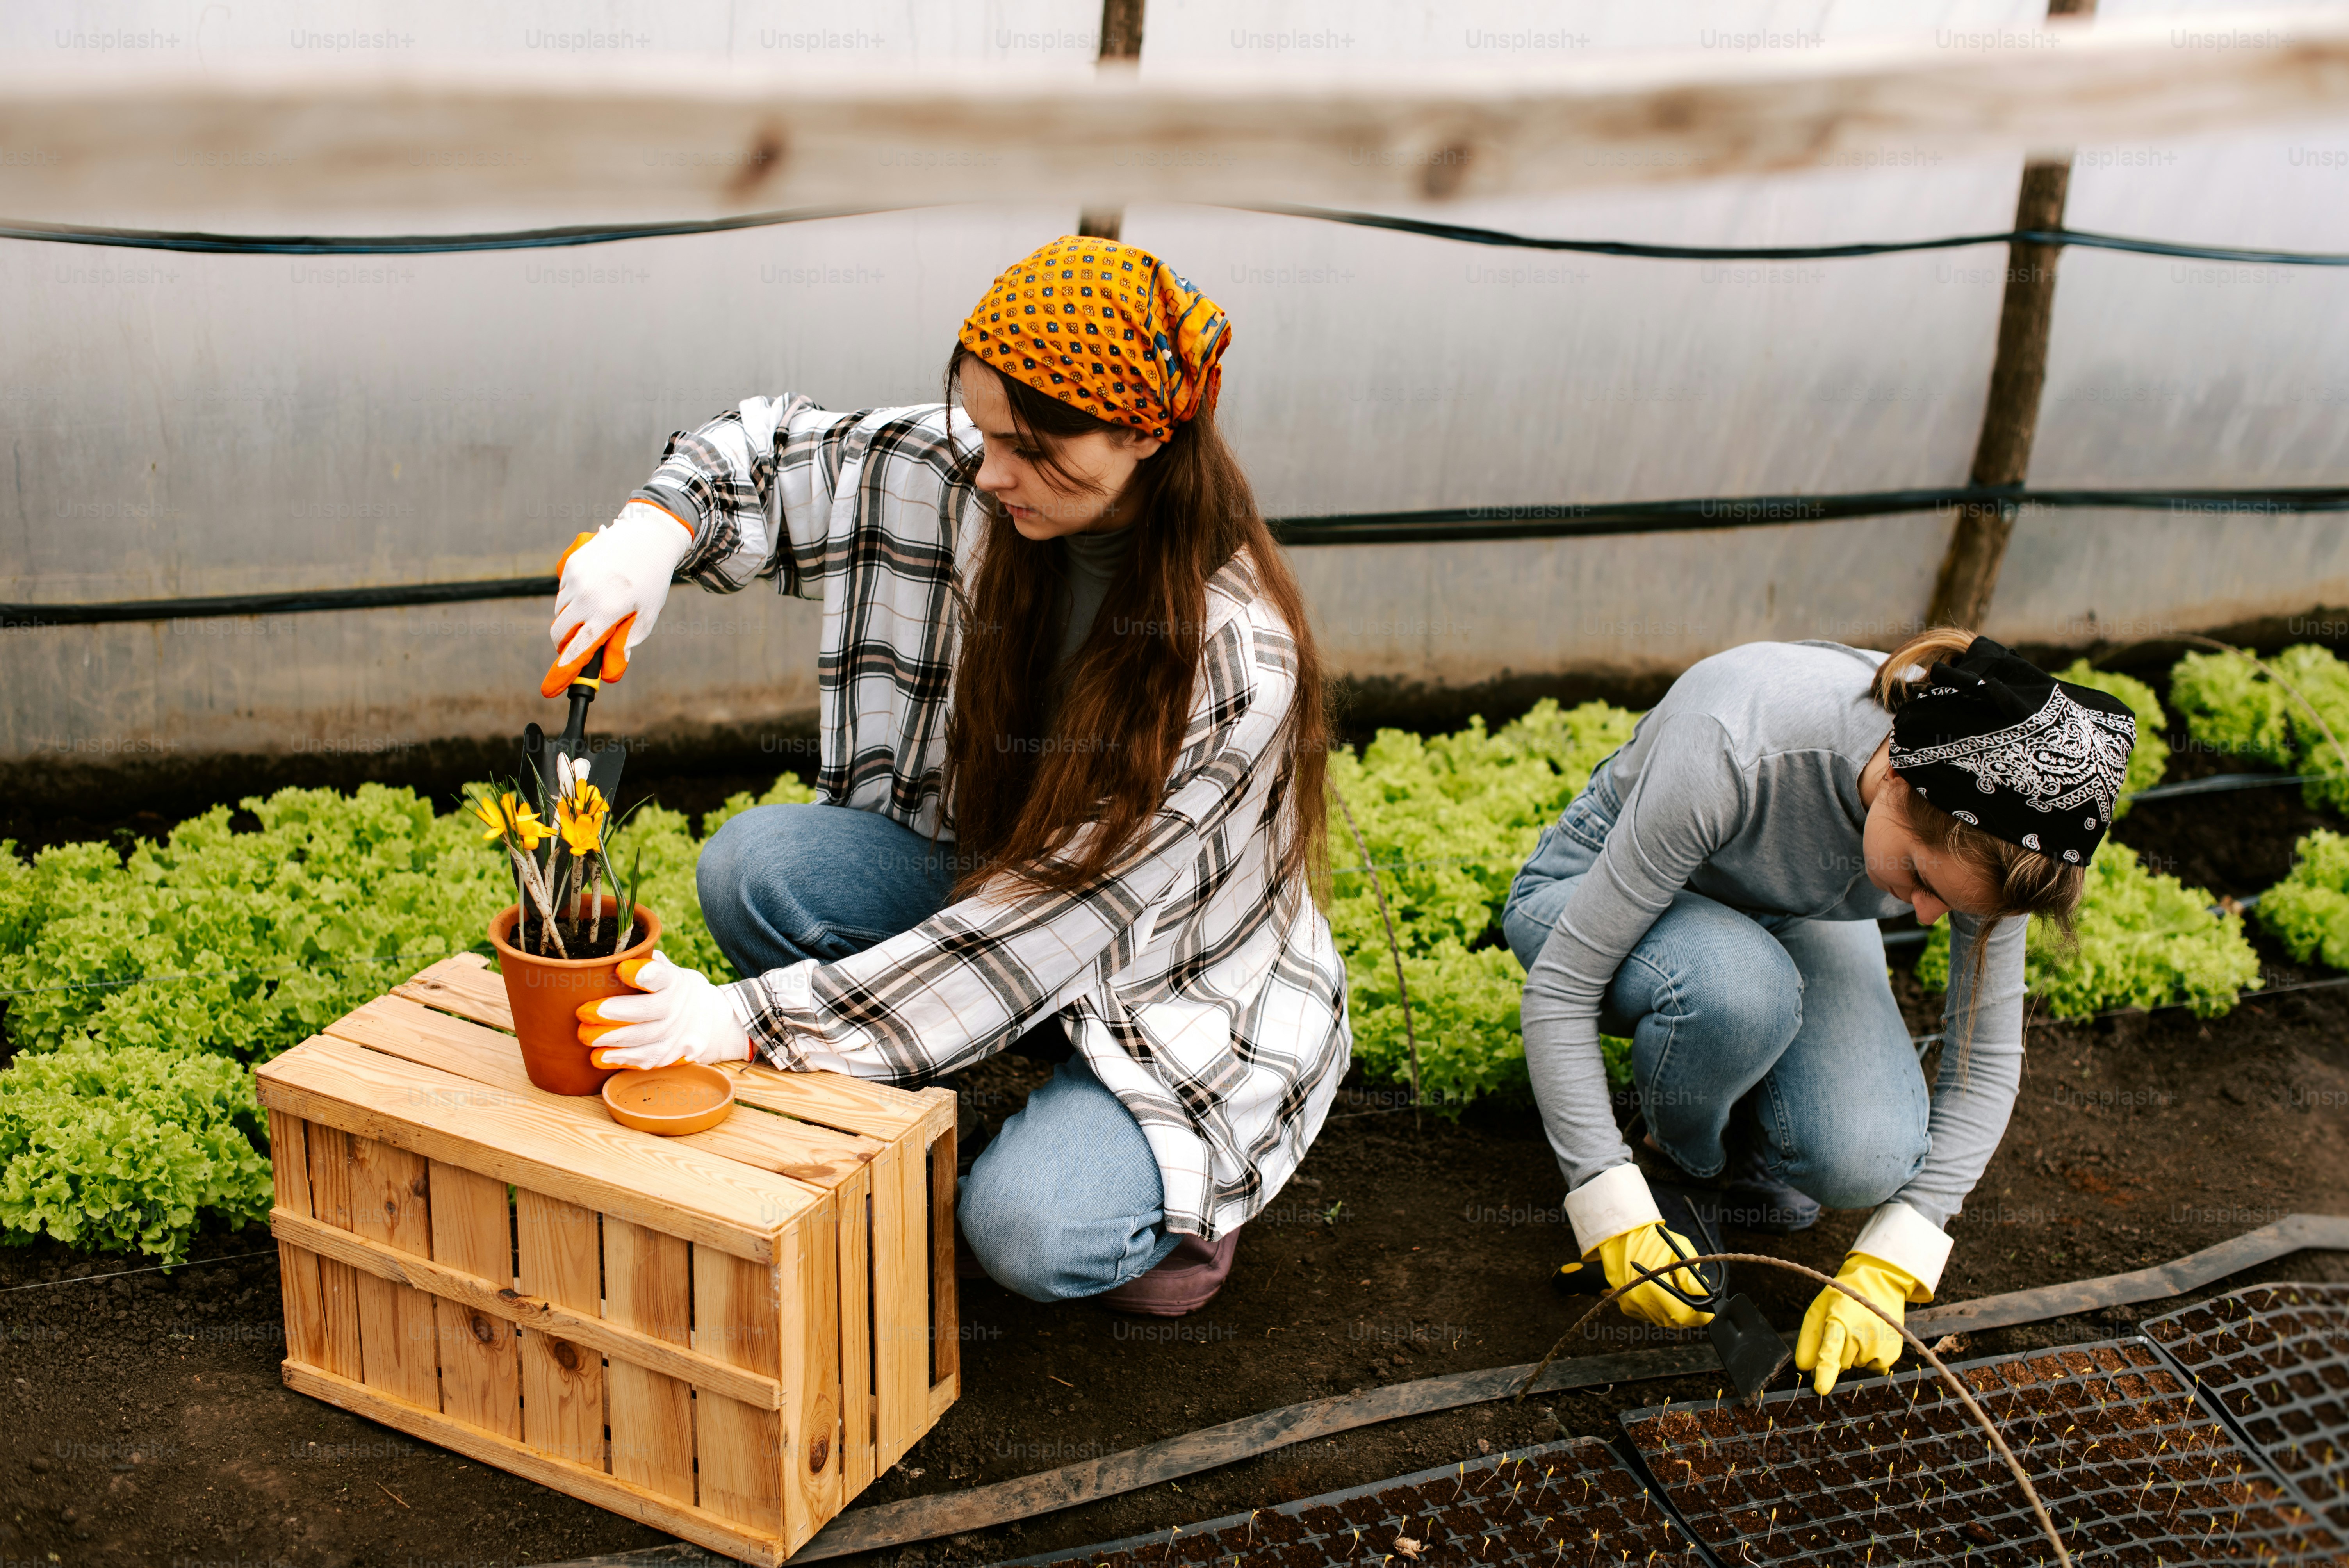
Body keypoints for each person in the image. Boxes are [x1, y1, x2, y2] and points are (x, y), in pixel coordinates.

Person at [546, 235, 1350, 1316]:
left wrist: (746, 1021)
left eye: (1031, 446)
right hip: (989, 881)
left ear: (1149, 434)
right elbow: (772, 451)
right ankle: (939, 1066)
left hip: (1161, 978)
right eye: (978, 424)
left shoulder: (1232, 661)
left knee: (1029, 1231)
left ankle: (1167, 1209)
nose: (989, 468)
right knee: (759, 867)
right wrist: (652, 534)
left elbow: (1051, 926)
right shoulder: (971, 475)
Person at [1502, 631, 2136, 1392]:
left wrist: (1897, 1252)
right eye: (1919, 880)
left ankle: (1746, 1130)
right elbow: (1562, 990)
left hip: (1796, 917)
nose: (1930, 916)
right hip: (1592, 896)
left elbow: (1984, 1060)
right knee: (1739, 994)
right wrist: (1605, 1200)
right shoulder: (1737, 740)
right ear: (1900, 783)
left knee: (1865, 1152)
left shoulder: (2001, 817)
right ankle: (1676, 1160)